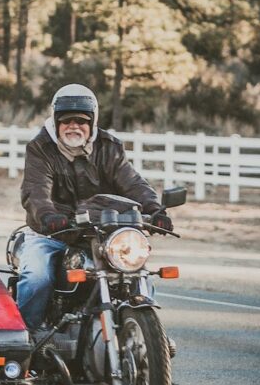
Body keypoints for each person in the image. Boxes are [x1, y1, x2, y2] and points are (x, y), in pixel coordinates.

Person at [16, 83, 173, 330]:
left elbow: (132, 182)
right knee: (37, 278)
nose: (73, 126)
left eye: (81, 120)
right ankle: (23, 340)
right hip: (52, 232)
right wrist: (48, 215)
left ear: (92, 122)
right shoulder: (41, 148)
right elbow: (36, 191)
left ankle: (144, 335)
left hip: (100, 232)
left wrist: (155, 210)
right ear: (56, 122)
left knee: (137, 273)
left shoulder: (108, 147)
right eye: (67, 120)